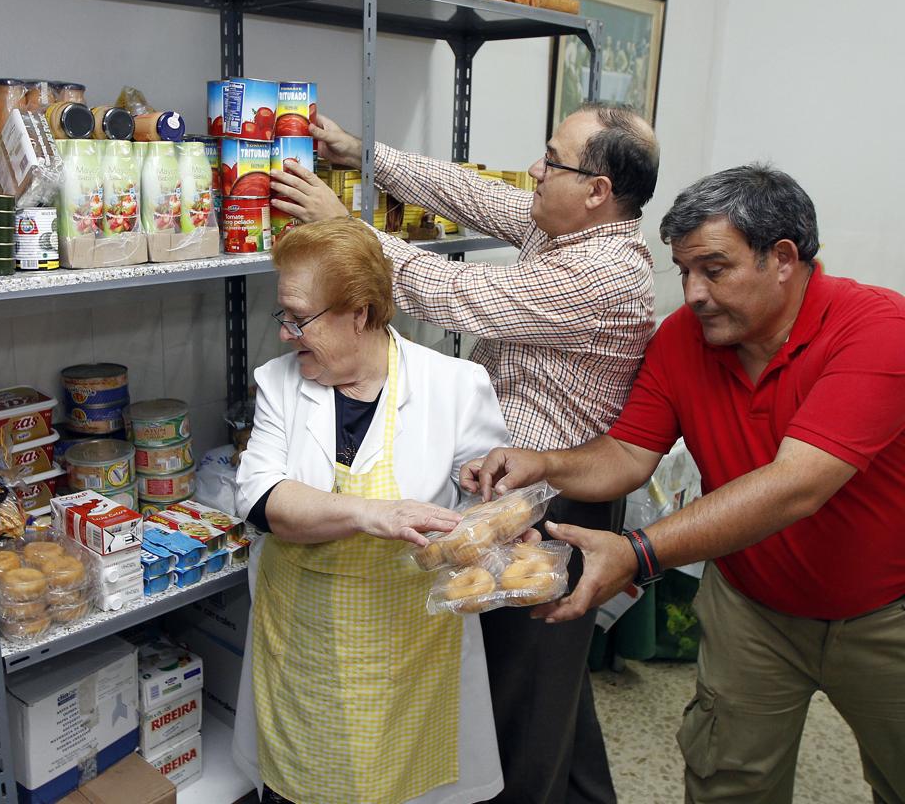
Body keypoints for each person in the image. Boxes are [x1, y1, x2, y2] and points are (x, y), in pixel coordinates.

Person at [465, 165, 905, 804]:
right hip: (753, 609)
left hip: (886, 614)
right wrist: (546, 463)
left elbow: (796, 485)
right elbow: (627, 452)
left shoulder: (878, 329)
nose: (693, 292)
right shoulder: (683, 339)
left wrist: (637, 554)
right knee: (729, 781)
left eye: (714, 269)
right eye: (683, 271)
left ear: (783, 258)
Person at [269, 103, 660, 804]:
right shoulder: (563, 228)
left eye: (552, 160)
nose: (536, 171)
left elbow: (459, 294)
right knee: (552, 683)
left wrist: (345, 233)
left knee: (524, 689)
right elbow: (474, 192)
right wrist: (364, 154)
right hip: (514, 481)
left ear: (597, 190)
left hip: (556, 495)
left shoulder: (605, 272)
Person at [231, 217, 512, 804]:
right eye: (282, 316)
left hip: (411, 658)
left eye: (299, 318)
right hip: (303, 652)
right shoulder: (281, 385)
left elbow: (490, 509)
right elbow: (261, 499)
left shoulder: (454, 386)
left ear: (359, 312)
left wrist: (486, 506)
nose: (285, 334)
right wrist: (370, 514)